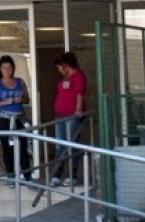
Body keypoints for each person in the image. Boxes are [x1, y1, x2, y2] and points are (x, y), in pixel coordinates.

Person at [0, 54, 32, 186]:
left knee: (23, 147)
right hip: (3, 119)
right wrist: (4, 102)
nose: (7, 70)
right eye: (4, 68)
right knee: (8, 148)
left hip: (18, 118)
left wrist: (21, 99)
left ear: (13, 68)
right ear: (0, 69)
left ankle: (27, 176)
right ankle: (11, 177)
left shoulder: (20, 82)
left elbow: (27, 99)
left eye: (10, 68)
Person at [49, 51, 87, 188]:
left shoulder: (78, 76)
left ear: (65, 65)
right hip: (60, 114)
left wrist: (78, 110)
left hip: (72, 115)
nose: (59, 70)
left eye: (59, 67)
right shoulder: (66, 78)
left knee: (72, 145)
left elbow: (79, 93)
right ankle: (56, 176)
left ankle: (72, 176)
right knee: (60, 146)